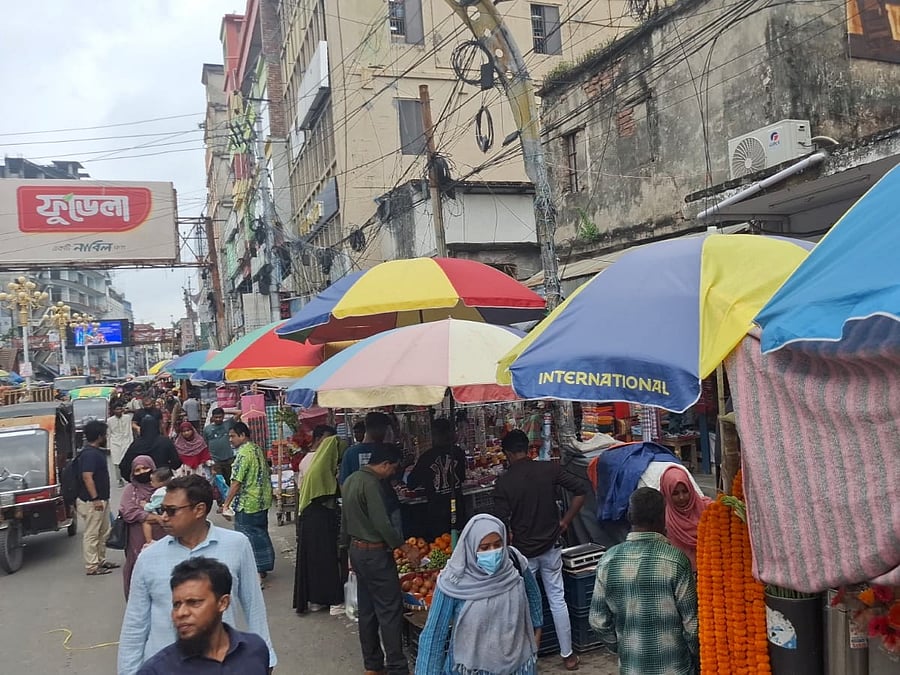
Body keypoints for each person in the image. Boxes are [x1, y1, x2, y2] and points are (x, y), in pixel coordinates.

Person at [117, 475, 277, 674]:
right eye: (161, 510)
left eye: (171, 511)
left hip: (223, 665)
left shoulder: (237, 545)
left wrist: (267, 656)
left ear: (199, 510)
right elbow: (135, 624)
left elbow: (254, 604)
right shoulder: (148, 558)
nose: (163, 517)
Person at [493, 429, 587, 671]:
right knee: (558, 599)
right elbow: (580, 490)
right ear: (527, 449)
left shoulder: (504, 482)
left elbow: (500, 524)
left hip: (523, 553)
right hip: (552, 546)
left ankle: (527, 657)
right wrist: (565, 521)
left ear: (508, 454)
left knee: (524, 604)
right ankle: (568, 655)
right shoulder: (549, 469)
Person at [589, 487, 699, 675]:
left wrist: (621, 646)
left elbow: (598, 621)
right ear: (661, 518)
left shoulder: (608, 560)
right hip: (675, 667)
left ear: (630, 517)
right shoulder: (676, 560)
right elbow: (692, 626)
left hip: (632, 667)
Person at [416, 514, 543, 675]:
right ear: (470, 547)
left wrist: (536, 634)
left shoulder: (514, 564)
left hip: (519, 666)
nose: (493, 552)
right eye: (484, 548)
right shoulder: (454, 581)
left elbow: (533, 596)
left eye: (498, 545)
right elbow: (434, 637)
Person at [340, 444, 421, 675]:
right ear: (384, 464)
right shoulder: (371, 483)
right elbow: (382, 522)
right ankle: (396, 666)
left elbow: (345, 520)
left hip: (357, 551)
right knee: (389, 610)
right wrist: (404, 547)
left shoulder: (351, 480)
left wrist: (344, 548)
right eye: (392, 469)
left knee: (367, 610)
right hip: (375, 553)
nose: (392, 474)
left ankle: (372, 664)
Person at [136, 557, 270, 675]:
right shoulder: (157, 670)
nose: (181, 613)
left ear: (223, 603)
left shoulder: (254, 649)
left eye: (193, 602)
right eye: (176, 604)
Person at [293, 434, 344, 615]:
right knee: (327, 560)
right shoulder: (323, 470)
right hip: (319, 519)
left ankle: (315, 600)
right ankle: (334, 602)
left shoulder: (316, 466)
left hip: (309, 517)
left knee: (312, 561)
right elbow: (332, 492)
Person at [222, 422, 275, 581]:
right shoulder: (256, 449)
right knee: (261, 533)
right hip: (262, 501)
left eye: (232, 436)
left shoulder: (243, 454)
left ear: (242, 435)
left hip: (248, 503)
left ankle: (256, 570)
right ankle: (263, 566)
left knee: (248, 536)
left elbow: (236, 482)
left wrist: (226, 504)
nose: (230, 440)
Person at [407, 418, 468, 541]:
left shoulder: (426, 457)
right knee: (460, 540)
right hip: (457, 507)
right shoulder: (458, 452)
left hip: (437, 511)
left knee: (441, 545)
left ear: (434, 434)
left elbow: (411, 483)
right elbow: (461, 477)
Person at [75, 419, 120, 576]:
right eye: (105, 434)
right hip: (92, 501)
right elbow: (87, 477)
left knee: (103, 531)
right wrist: (95, 499)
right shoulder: (90, 455)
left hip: (100, 499)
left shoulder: (94, 452)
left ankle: (100, 560)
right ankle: (92, 565)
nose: (106, 437)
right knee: (92, 533)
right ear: (100, 436)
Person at [119, 456, 165, 597]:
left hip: (165, 536)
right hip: (138, 538)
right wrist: (154, 517)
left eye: (145, 468)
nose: (142, 472)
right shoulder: (130, 490)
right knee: (138, 569)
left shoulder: (165, 488)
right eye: (137, 470)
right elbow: (128, 511)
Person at [659, 465, 711, 571]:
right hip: (677, 573)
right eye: (675, 493)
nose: (682, 497)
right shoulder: (661, 517)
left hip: (711, 574)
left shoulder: (709, 509)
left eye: (685, 491)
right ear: (667, 493)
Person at [338, 411, 391, 484]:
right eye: (386, 429)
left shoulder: (350, 452)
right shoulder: (386, 451)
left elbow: (343, 483)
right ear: (381, 429)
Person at [142, 467, 173, 548]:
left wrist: (145, 505)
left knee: (146, 522)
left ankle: (149, 541)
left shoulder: (160, 494)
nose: (151, 483)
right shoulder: (171, 489)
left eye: (153, 481)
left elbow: (152, 506)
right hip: (169, 513)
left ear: (161, 482)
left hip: (161, 513)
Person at [204, 407, 237, 483]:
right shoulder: (207, 429)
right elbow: (205, 445)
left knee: (231, 480)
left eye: (220, 417)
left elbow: (239, 412)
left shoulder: (228, 424)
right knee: (220, 482)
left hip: (229, 459)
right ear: (212, 417)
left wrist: (225, 410)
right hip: (216, 460)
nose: (218, 419)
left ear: (223, 416)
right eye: (216, 417)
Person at [107, 403, 134, 487]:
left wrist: (131, 442)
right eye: (116, 409)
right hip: (115, 442)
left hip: (126, 441)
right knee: (116, 462)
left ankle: (130, 478)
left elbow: (130, 431)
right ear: (113, 411)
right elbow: (108, 434)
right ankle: (119, 479)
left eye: (120, 409)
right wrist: (108, 446)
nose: (118, 411)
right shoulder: (110, 420)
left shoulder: (127, 418)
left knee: (128, 461)